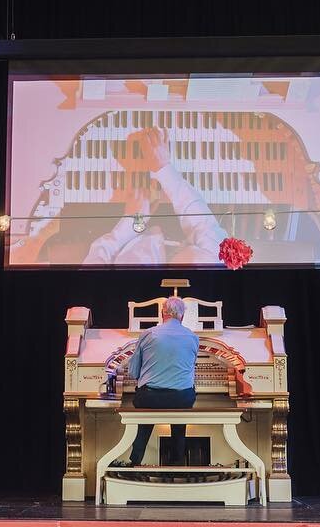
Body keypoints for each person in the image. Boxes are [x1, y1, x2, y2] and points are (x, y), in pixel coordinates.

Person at [82, 128, 228, 266]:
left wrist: (135, 220)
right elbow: (203, 226)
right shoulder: (218, 262)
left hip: (131, 232)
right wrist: (163, 168)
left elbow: (102, 252)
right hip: (179, 231)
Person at [117, 296, 200, 467]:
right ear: (182, 316)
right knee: (179, 421)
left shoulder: (148, 334)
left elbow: (133, 371)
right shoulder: (193, 337)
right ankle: (177, 464)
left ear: (163, 313)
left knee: (144, 420)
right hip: (182, 397)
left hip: (150, 397)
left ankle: (135, 462)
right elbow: (190, 368)